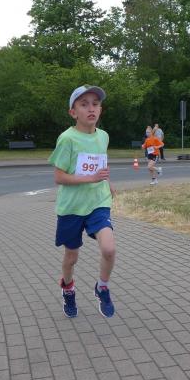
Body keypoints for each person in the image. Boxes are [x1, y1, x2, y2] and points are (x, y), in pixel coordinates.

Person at [49, 85, 116, 319]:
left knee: (109, 249)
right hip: (72, 208)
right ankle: (68, 289)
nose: (91, 109)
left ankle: (102, 287)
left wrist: (108, 183)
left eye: (95, 104)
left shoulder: (103, 136)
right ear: (73, 112)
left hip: (98, 202)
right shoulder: (67, 139)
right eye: (84, 104)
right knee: (71, 258)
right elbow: (59, 177)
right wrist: (91, 178)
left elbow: (100, 165)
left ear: (101, 110)